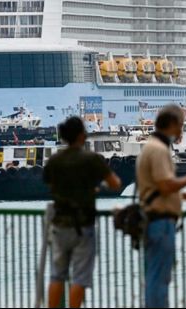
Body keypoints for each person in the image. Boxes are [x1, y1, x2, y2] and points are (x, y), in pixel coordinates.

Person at [43, 116, 122, 308]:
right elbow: (115, 183)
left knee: (56, 276)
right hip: (83, 226)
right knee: (79, 278)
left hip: (59, 225)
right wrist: (94, 187)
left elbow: (51, 185)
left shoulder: (54, 160)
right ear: (81, 135)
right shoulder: (91, 159)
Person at [137, 105, 186, 308]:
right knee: (159, 278)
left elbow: (157, 187)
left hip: (155, 221)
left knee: (157, 276)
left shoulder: (151, 146)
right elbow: (165, 184)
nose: (181, 131)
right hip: (160, 223)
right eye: (181, 126)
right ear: (172, 124)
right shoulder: (159, 150)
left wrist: (185, 196)